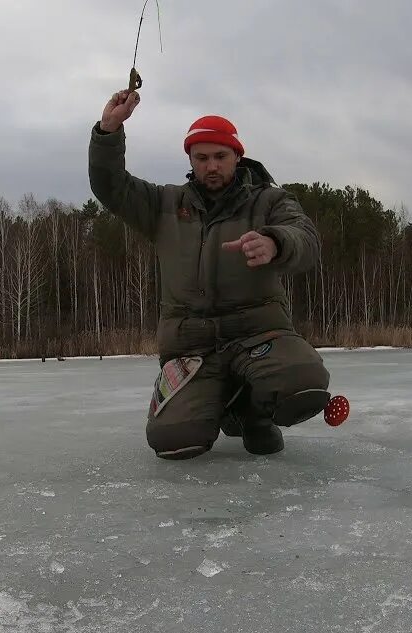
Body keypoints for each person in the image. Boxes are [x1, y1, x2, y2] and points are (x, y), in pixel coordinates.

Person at [88, 88, 331, 460]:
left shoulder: (270, 201)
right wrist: (109, 130)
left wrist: (276, 242)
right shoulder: (164, 205)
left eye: (220, 156)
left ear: (238, 156)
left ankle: (254, 415)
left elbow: (307, 239)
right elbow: (110, 186)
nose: (212, 166)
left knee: (305, 385)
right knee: (174, 441)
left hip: (258, 333)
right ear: (191, 159)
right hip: (192, 347)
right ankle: (221, 406)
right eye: (201, 158)